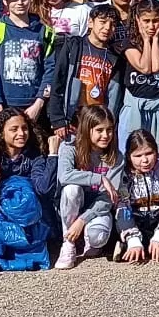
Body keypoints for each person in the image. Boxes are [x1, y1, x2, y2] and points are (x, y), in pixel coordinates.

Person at [0, 109, 54, 272]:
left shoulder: (34, 156)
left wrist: (53, 156)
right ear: (1, 133)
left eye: (24, 128)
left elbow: (43, 188)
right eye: (14, 129)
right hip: (2, 216)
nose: (21, 133)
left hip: (31, 218)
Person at [54, 104, 120, 269]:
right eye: (99, 130)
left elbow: (109, 198)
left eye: (109, 130)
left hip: (97, 207)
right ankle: (68, 242)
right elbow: (64, 176)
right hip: (71, 204)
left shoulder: (116, 156)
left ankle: (85, 237)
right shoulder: (70, 147)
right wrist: (99, 178)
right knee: (71, 189)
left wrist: (82, 220)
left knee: (98, 237)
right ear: (86, 129)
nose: (105, 135)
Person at [45, 2, 125, 132]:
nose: (107, 28)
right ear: (90, 23)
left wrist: (109, 122)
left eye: (113, 24)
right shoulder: (74, 46)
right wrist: (58, 119)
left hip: (97, 121)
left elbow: (114, 94)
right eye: (103, 22)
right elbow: (58, 80)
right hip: (71, 119)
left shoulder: (115, 57)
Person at [0, 0, 49, 127]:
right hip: (6, 104)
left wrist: (39, 103)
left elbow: (49, 69)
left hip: (35, 106)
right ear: (5, 1)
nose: (20, 2)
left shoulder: (43, 31)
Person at [117, 0, 159, 157]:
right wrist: (145, 40)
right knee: (131, 153)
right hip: (134, 107)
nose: (151, 26)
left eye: (155, 21)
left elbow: (156, 66)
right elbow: (144, 67)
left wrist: (155, 39)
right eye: (146, 21)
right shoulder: (129, 43)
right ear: (138, 20)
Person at [109, 131, 159, 263]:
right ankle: (131, 244)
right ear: (129, 156)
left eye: (149, 153)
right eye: (138, 155)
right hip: (135, 222)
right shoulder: (123, 175)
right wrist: (133, 239)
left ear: (156, 151)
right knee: (112, 225)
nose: (145, 160)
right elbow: (122, 209)